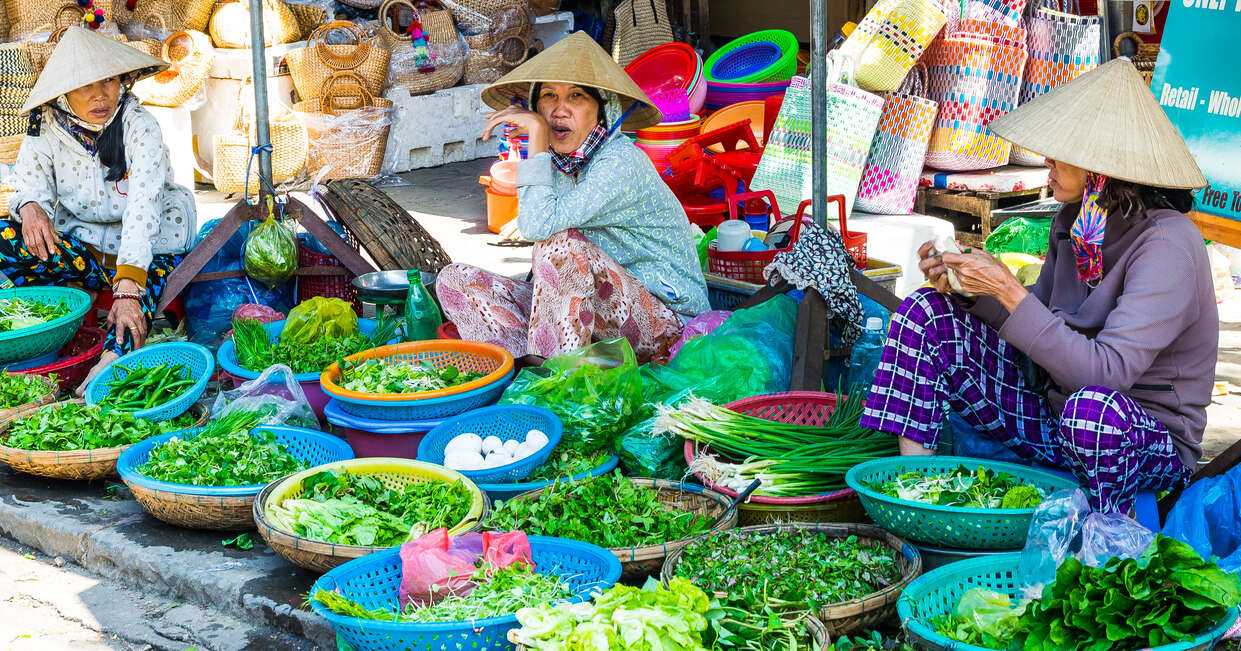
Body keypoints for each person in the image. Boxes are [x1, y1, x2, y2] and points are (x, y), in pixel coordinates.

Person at [859, 59, 1216, 515]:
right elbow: (1038, 335)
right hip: (1053, 416)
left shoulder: (1168, 245)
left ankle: (1104, 533)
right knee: (925, 311)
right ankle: (921, 500)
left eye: (1059, 149)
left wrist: (1009, 291)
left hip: (1138, 443)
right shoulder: (1076, 221)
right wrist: (969, 291)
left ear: (1099, 166)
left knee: (1090, 412)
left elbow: (1104, 378)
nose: (1046, 158)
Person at [436, 32, 709, 364]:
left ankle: (553, 380)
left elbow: (538, 227)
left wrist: (535, 135)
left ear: (601, 109)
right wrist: (537, 148)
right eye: (549, 96)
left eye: (576, 97)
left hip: (668, 327)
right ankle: (523, 365)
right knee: (454, 279)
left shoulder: (620, 161)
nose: (558, 110)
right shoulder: (554, 161)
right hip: (592, 318)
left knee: (560, 245)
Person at [4, 28, 194, 389]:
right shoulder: (46, 127)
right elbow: (30, 181)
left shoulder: (139, 127)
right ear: (63, 93)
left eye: (108, 80)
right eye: (84, 86)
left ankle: (106, 365)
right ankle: (68, 308)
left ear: (122, 80)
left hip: (148, 251)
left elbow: (143, 208)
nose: (99, 95)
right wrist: (30, 206)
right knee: (6, 237)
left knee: (134, 303)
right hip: (86, 250)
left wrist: (127, 287)